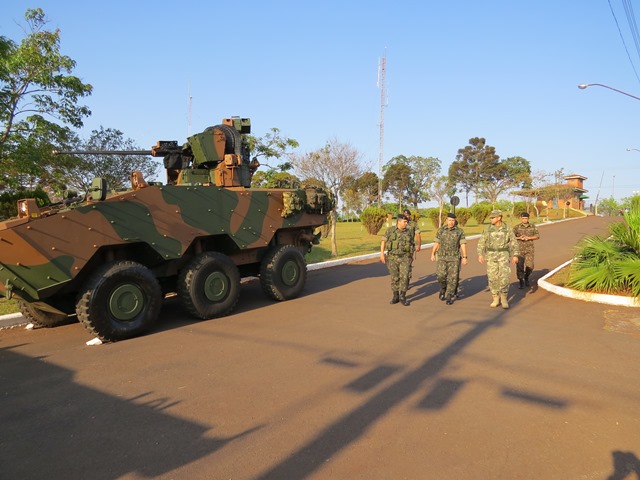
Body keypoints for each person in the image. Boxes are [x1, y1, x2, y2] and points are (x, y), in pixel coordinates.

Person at [477, 209, 519, 309]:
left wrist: (515, 255)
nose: (491, 219)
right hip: (491, 256)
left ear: (499, 218)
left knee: (504, 277)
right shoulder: (487, 229)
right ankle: (495, 298)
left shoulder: (507, 229)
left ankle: (504, 298)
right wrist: (480, 254)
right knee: (492, 277)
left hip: (503, 255)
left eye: (493, 217)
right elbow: (481, 242)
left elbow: (514, 242)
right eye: (490, 217)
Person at [431, 212, 467, 305]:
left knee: (453, 278)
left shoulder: (459, 231)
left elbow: (462, 244)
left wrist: (464, 257)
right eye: (449, 220)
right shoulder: (441, 230)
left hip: (454, 257)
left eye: (453, 220)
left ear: (455, 221)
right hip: (442, 257)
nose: (451, 222)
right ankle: (443, 288)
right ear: (446, 220)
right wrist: (432, 253)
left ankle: (449, 295)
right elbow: (436, 242)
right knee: (440, 276)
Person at [380, 213, 414, 306]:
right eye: (404, 222)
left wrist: (411, 256)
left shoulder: (409, 231)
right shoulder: (390, 230)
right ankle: (395, 296)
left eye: (407, 222)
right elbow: (383, 241)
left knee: (405, 276)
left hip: (405, 258)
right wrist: (382, 254)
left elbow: (412, 244)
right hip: (392, 258)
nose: (406, 223)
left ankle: (403, 296)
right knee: (394, 277)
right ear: (399, 222)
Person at [513, 211, 540, 289]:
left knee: (530, 266)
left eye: (526, 218)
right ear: (521, 218)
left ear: (528, 218)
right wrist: (519, 238)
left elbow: (537, 236)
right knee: (520, 266)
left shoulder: (532, 226)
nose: (525, 220)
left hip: (529, 249)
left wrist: (529, 238)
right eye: (523, 218)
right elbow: (511, 237)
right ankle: (521, 280)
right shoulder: (517, 227)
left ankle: (526, 277)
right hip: (519, 249)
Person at [403, 208, 422, 281]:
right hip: (399, 247)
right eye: (404, 215)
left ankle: (407, 277)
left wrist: (418, 244)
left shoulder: (413, 224)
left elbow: (418, 234)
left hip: (409, 247)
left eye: (407, 215)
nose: (406, 216)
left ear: (409, 216)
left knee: (408, 263)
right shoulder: (399, 223)